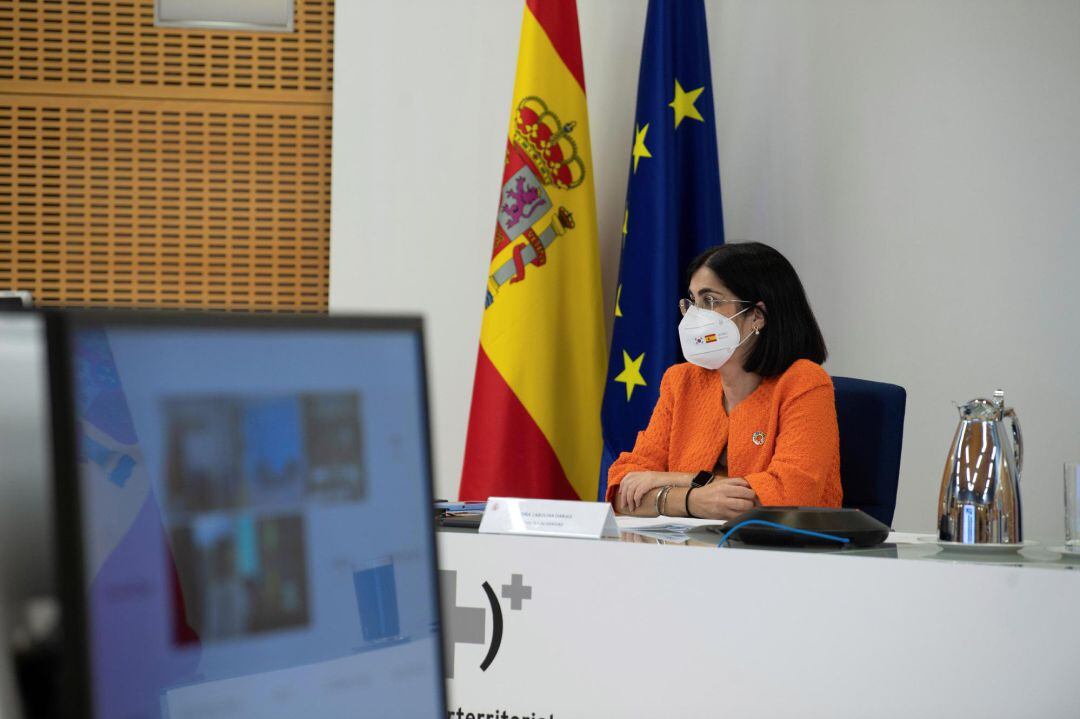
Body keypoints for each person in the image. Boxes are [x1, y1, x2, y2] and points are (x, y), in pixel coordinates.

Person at [607, 241, 842, 519]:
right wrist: (692, 501)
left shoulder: (804, 383)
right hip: (690, 554)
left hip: (784, 554)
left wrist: (673, 481)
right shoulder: (681, 382)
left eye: (710, 301)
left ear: (757, 316)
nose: (696, 315)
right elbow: (623, 489)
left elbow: (789, 496)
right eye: (693, 301)